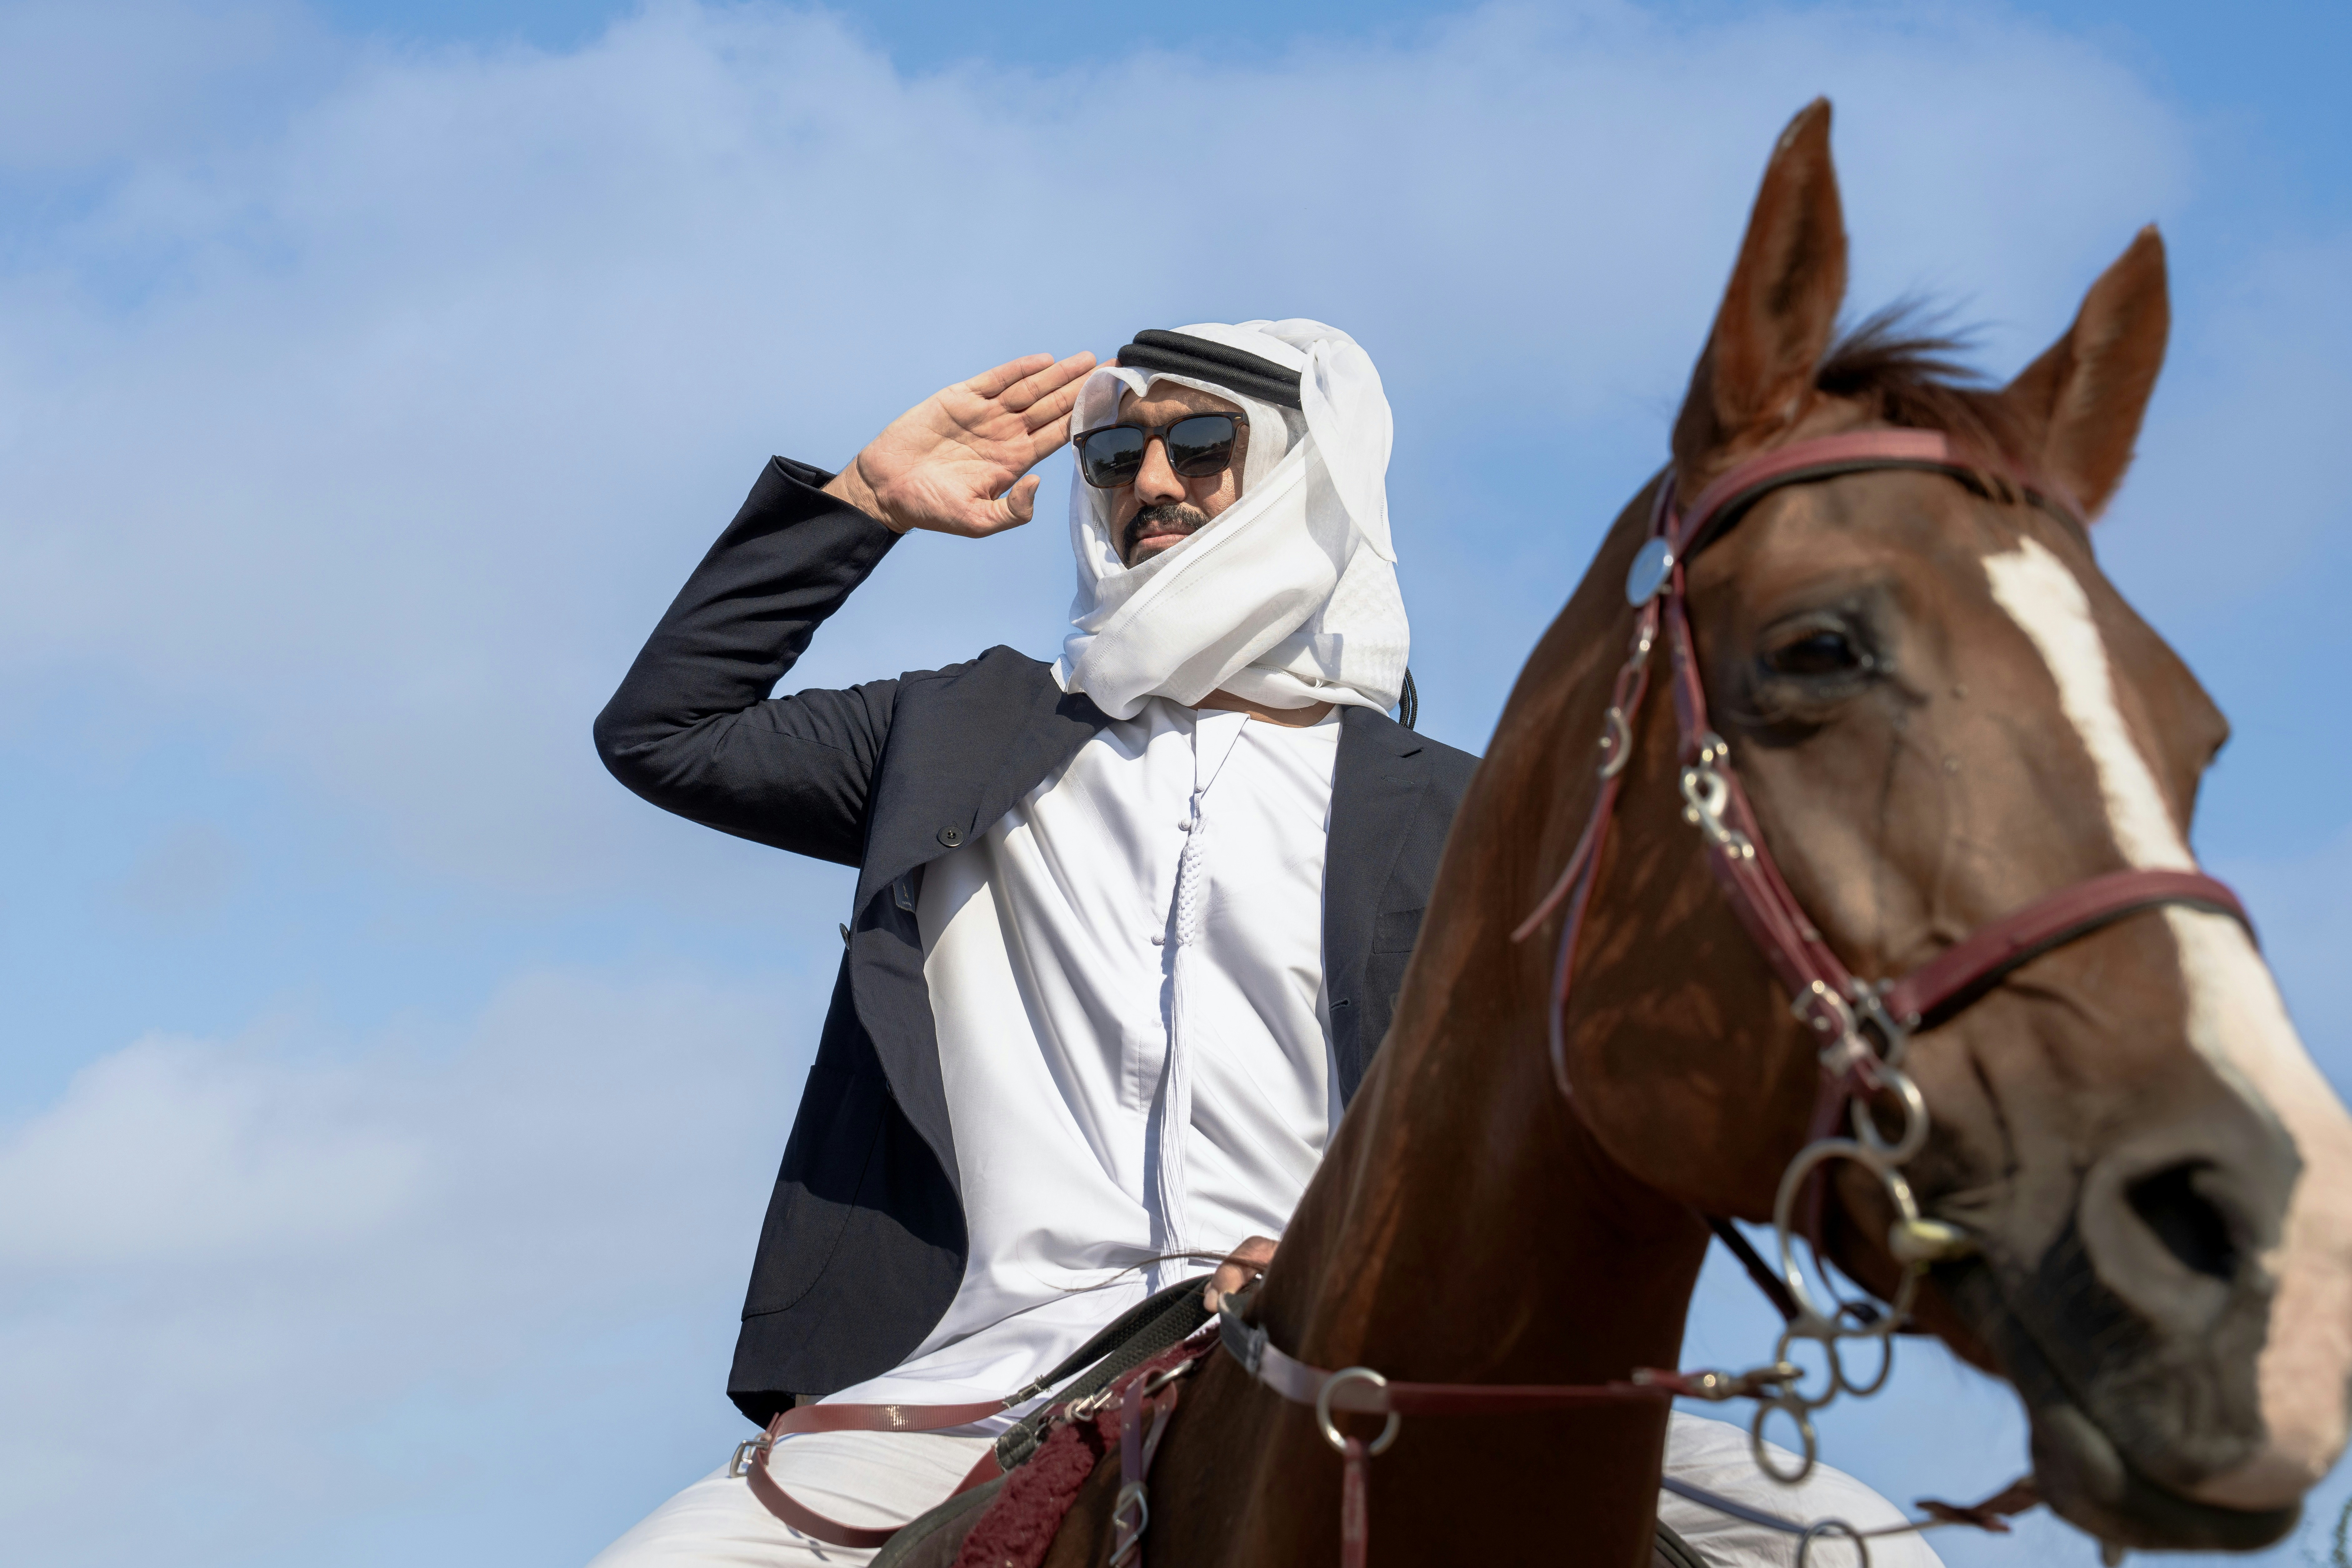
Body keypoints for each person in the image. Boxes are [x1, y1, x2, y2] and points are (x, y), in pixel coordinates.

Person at [589, 321, 1941, 1567]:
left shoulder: (1468, 813)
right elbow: (665, 734)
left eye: (1202, 444)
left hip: (1362, 1351)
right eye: (1117, 452)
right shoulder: (951, 734)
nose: (1152, 483)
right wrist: (864, 505)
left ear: (1310, 470)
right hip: (964, 1384)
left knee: (1866, 1544)